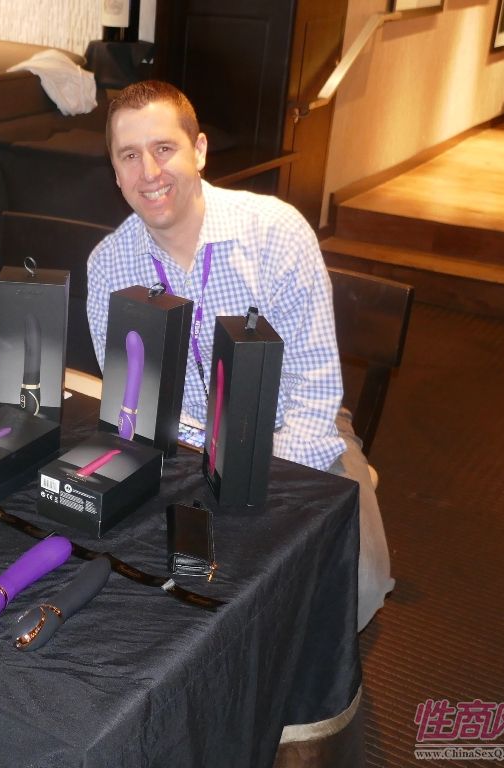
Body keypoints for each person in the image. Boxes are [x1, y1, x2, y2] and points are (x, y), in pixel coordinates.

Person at [87, 80, 393, 631]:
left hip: (290, 426)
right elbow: (131, 404)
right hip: (183, 443)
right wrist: (196, 471)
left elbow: (315, 384)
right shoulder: (108, 265)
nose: (149, 172)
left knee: (352, 590)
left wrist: (263, 485)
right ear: (115, 172)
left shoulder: (275, 232)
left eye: (163, 148)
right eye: (129, 156)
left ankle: (352, 475)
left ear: (199, 150)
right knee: (163, 588)